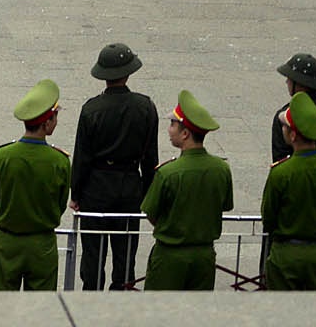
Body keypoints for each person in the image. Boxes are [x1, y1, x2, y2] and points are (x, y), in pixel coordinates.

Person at [70, 42, 158, 291]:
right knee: (125, 254)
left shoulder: (91, 109)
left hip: (95, 188)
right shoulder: (146, 107)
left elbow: (82, 157)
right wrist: (149, 194)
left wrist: (76, 193)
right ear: (128, 73)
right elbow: (150, 158)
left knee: (93, 256)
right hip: (130, 185)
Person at [140, 90, 232, 290]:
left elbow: (151, 212)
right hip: (204, 257)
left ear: (185, 133)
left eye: (173, 124)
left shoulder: (168, 173)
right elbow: (224, 205)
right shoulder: (221, 169)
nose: (169, 129)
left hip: (170, 257)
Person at [260, 92, 316, 290]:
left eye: (285, 126)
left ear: (293, 135)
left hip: (286, 256)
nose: (282, 129)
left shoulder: (281, 172)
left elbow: (269, 217)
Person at [0, 80, 68, 290]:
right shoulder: (59, 160)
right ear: (46, 123)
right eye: (55, 116)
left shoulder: (3, 156)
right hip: (42, 245)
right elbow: (61, 203)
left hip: (7, 242)